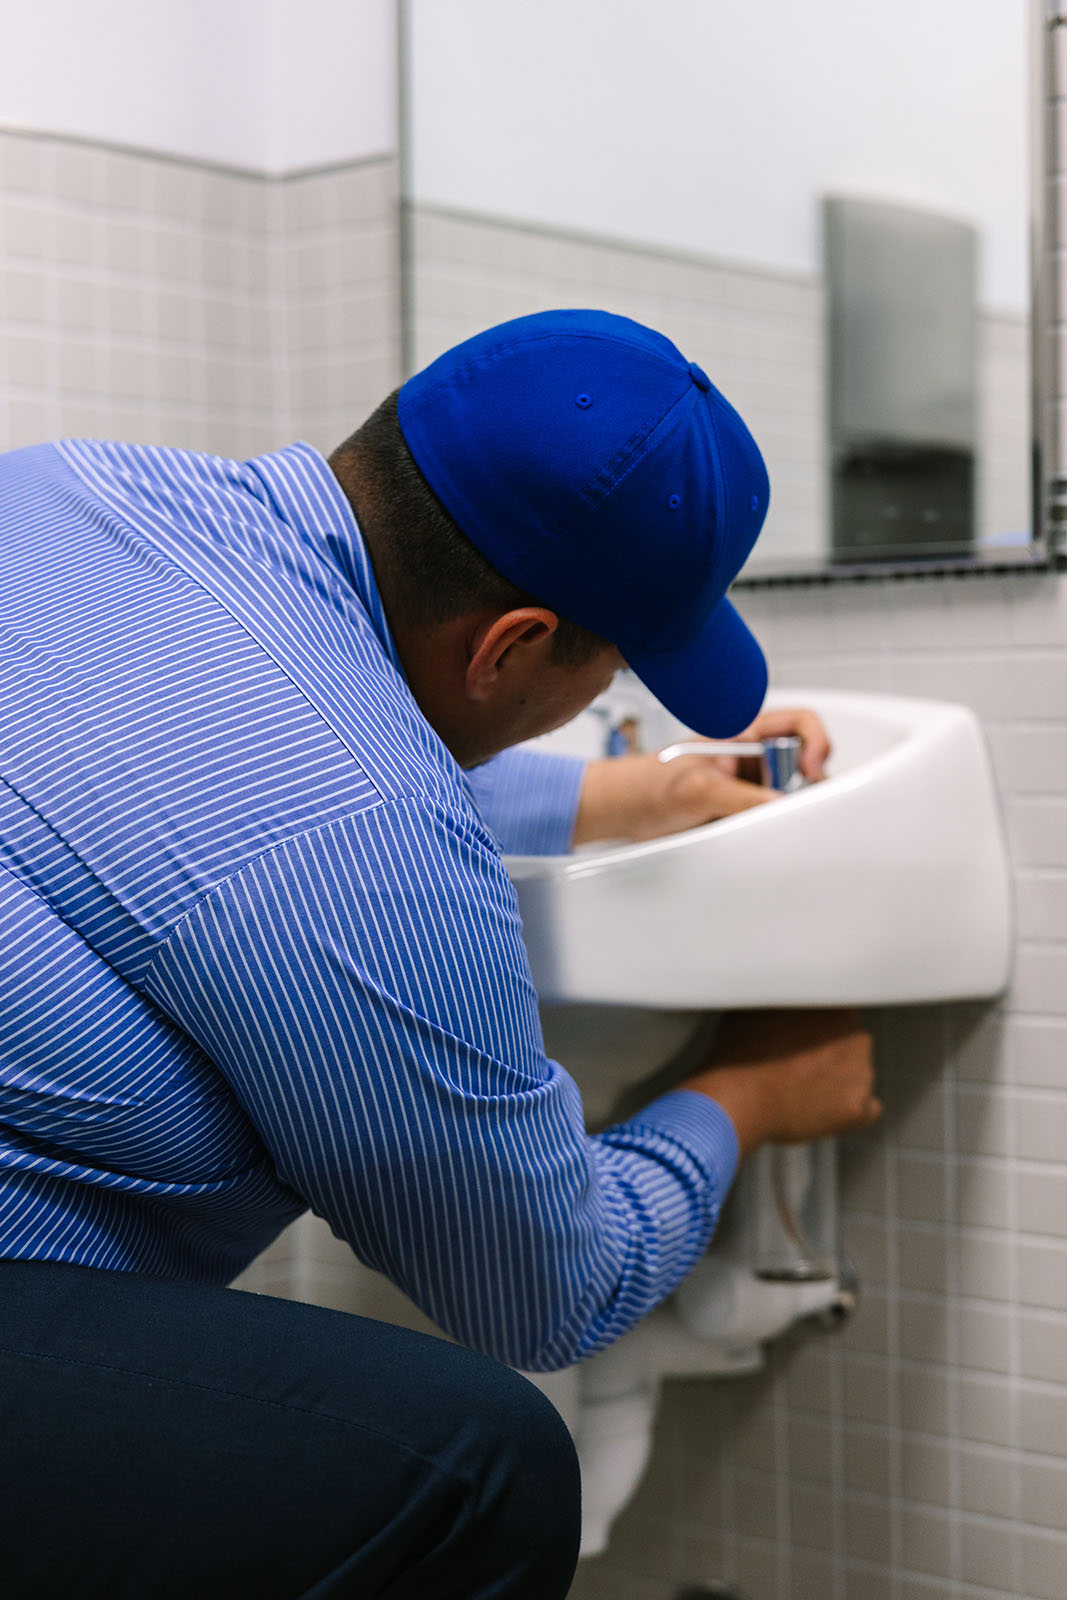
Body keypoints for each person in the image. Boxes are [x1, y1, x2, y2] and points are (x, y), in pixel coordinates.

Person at [0, 309, 879, 1598]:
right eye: (610, 667)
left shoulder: (72, 493)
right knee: (484, 1467)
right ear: (515, 647)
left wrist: (621, 795)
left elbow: (233, 766)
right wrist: (744, 1098)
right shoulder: (376, 836)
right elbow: (545, 1295)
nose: (599, 696)